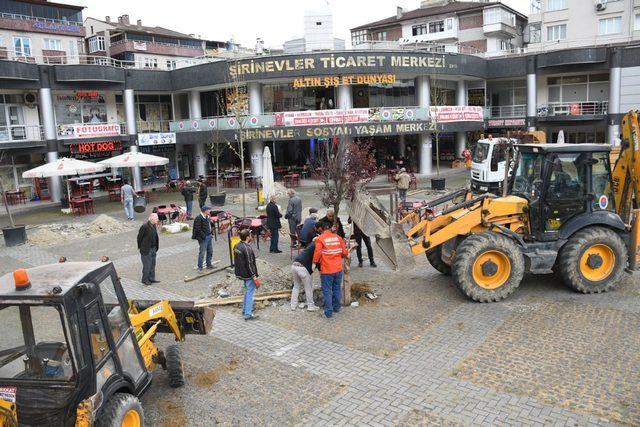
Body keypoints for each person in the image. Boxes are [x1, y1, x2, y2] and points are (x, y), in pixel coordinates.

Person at [313, 221, 348, 318]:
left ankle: (328, 312)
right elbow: (345, 253)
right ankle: (337, 307)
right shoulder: (338, 238)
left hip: (327, 270)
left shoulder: (320, 239)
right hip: (338, 269)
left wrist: (314, 263)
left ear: (322, 229)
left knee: (327, 290)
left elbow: (317, 253)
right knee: (337, 288)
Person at [234, 229, 259, 321]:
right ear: (248, 237)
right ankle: (248, 314)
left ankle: (244, 310)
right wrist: (254, 276)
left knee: (246, 291)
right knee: (249, 293)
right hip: (248, 275)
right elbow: (250, 263)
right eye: (250, 235)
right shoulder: (247, 248)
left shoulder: (237, 246)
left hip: (241, 273)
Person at [291, 240, 320, 311]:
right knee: (308, 288)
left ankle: (293, 305)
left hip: (294, 265)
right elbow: (318, 261)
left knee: (296, 286)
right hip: (303, 268)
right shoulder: (318, 247)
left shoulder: (310, 245)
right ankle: (310, 306)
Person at [137, 213, 160, 286]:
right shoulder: (145, 226)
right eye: (156, 219)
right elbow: (139, 237)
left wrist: (155, 247)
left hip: (153, 248)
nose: (158, 220)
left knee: (153, 264)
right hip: (146, 249)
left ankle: (151, 278)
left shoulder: (154, 225)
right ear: (152, 219)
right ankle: (145, 279)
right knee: (147, 265)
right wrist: (140, 247)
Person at [192, 205, 214, 273]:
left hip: (209, 236)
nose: (210, 211)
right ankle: (200, 267)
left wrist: (211, 233)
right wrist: (204, 236)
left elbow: (209, 225)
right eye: (209, 210)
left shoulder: (207, 217)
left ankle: (209, 264)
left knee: (210, 251)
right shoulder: (198, 218)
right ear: (205, 211)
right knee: (202, 253)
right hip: (204, 238)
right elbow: (198, 229)